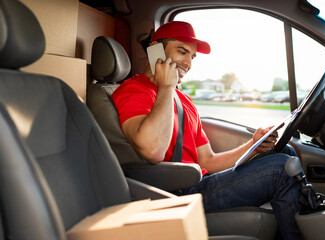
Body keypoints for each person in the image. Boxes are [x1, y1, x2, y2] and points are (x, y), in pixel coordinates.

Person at [111, 21, 302, 239]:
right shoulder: (133, 91)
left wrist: (254, 146)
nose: (188, 63)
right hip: (176, 193)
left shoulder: (184, 100)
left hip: (199, 183)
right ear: (154, 49)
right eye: (182, 51)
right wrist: (166, 87)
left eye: (192, 57)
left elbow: (208, 161)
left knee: (285, 152)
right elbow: (152, 151)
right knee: (282, 169)